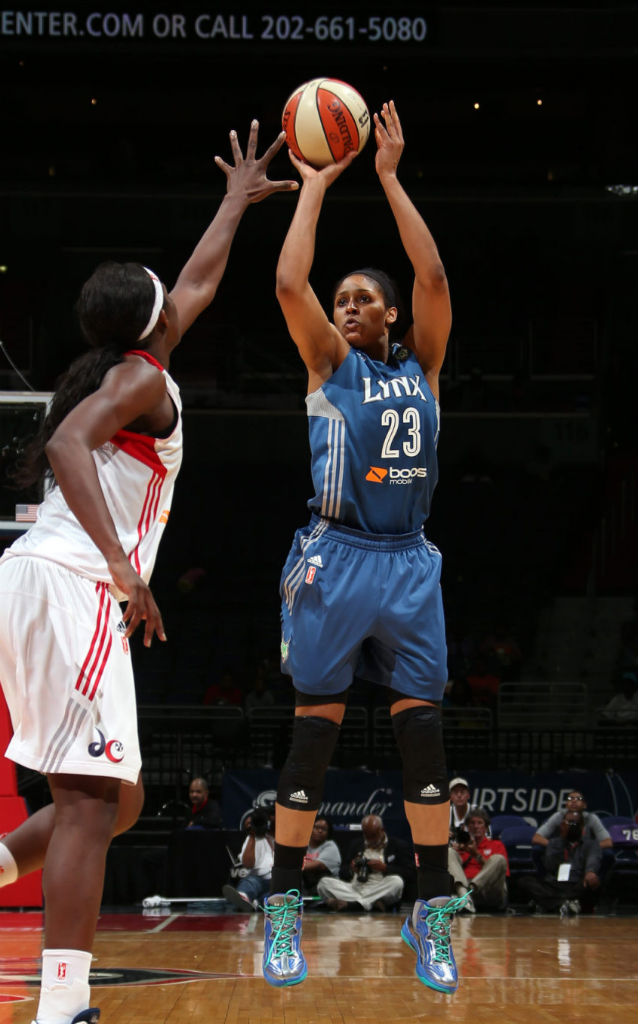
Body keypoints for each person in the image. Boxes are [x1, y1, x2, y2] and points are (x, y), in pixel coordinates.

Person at [0, 122, 296, 1024]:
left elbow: (199, 281)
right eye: (167, 300)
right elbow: (65, 444)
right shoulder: (136, 383)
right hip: (73, 581)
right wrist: (128, 572)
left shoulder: (134, 367)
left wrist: (235, 200)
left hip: (39, 579)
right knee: (91, 805)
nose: (183, 301)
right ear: (148, 318)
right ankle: (63, 1009)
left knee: (117, 802)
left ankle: (3, 860)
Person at [261, 101, 469, 995]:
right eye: (340, 299)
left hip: (411, 563)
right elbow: (285, 283)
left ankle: (432, 908)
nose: (346, 306)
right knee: (313, 746)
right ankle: (280, 909)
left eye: (361, 298)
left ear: (389, 313)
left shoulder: (423, 369)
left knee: (424, 750)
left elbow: (431, 268)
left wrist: (386, 176)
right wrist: (313, 189)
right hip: (336, 558)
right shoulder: (326, 365)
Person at [317, 814, 413, 912]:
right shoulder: (356, 844)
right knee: (323, 883)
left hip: (380, 887)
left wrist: (385, 868)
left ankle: (355, 905)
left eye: (373, 835)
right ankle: (369, 903)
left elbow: (409, 872)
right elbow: (342, 871)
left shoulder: (397, 845)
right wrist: (352, 869)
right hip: (356, 887)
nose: (370, 839)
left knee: (397, 882)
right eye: (367, 835)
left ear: (382, 830)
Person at [520, 809, 603, 915]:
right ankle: (563, 904)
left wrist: (590, 872)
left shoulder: (591, 844)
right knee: (525, 881)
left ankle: (548, 903)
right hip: (555, 884)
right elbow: (550, 866)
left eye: (574, 823)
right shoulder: (554, 843)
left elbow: (593, 860)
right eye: (568, 823)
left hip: (577, 884)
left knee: (593, 883)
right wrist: (562, 841)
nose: (571, 826)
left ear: (582, 827)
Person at [448, 808, 509, 912]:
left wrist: (476, 854)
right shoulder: (461, 847)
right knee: (449, 852)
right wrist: (457, 849)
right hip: (464, 886)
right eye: (472, 823)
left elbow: (501, 874)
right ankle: (464, 896)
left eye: (479, 823)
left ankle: (467, 893)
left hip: (490, 891)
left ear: (485, 827)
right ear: (467, 827)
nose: (476, 826)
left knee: (499, 859)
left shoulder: (496, 845)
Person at [222, 808, 274, 912]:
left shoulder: (281, 838)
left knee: (281, 890)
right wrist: (252, 835)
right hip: (258, 880)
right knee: (250, 881)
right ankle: (244, 896)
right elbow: (248, 864)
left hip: (276, 882)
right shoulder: (252, 839)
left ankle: (258, 903)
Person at [532, 791, 613, 850]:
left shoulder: (591, 818)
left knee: (606, 854)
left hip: (585, 853)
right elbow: (537, 838)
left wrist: (587, 849)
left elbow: (607, 842)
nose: (574, 801)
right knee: (537, 850)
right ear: (566, 804)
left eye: (578, 799)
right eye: (570, 799)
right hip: (561, 852)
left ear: (584, 805)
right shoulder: (558, 816)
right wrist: (556, 846)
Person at [301, 816, 341, 895]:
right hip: (306, 886)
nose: (320, 831)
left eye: (324, 829)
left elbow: (318, 865)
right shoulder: (303, 845)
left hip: (327, 889)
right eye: (316, 827)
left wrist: (292, 866)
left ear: (328, 833)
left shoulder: (331, 846)